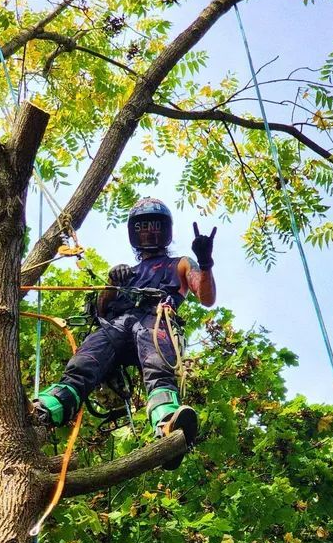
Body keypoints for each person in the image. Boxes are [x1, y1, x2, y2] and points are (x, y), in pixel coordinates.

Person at [32, 197, 217, 468]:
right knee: (87, 360)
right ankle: (51, 406)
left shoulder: (180, 264)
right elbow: (102, 308)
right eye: (143, 228)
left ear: (165, 232)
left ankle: (167, 422)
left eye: (156, 228)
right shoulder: (127, 273)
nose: (150, 233)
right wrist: (112, 281)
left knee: (157, 366)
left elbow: (205, 296)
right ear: (135, 234)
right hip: (117, 324)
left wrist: (206, 261)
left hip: (155, 320)